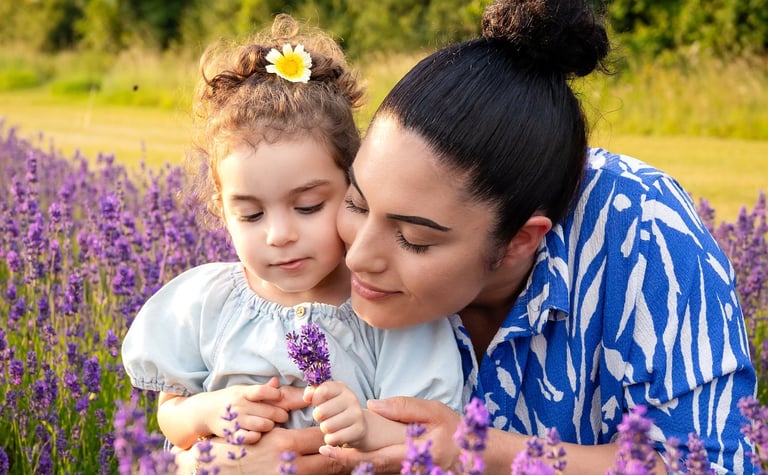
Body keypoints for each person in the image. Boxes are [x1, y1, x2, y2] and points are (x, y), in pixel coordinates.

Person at [205, 0, 756, 473]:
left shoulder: (645, 235)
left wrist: (477, 451)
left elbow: (708, 462)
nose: (361, 255)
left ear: (520, 241)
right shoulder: (306, 245)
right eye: (356, 201)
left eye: (414, 239)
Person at [120, 13, 464, 458]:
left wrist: (364, 425)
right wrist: (208, 411)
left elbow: (427, 433)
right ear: (220, 209)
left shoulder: (389, 310)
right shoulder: (206, 303)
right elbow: (171, 415)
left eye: (307, 207)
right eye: (250, 214)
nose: (279, 235)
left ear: (354, 191)